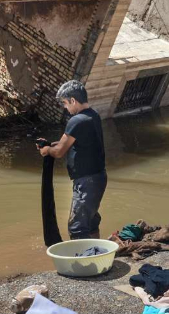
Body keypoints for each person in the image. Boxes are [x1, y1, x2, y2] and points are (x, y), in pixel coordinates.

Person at [37, 80, 107, 239]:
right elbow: (70, 143)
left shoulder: (76, 120)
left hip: (87, 182)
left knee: (77, 227)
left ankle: (86, 255)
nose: (65, 107)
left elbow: (59, 152)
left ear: (73, 100)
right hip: (97, 178)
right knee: (90, 222)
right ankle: (96, 250)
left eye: (65, 103)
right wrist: (50, 145)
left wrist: (46, 150)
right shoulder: (92, 115)